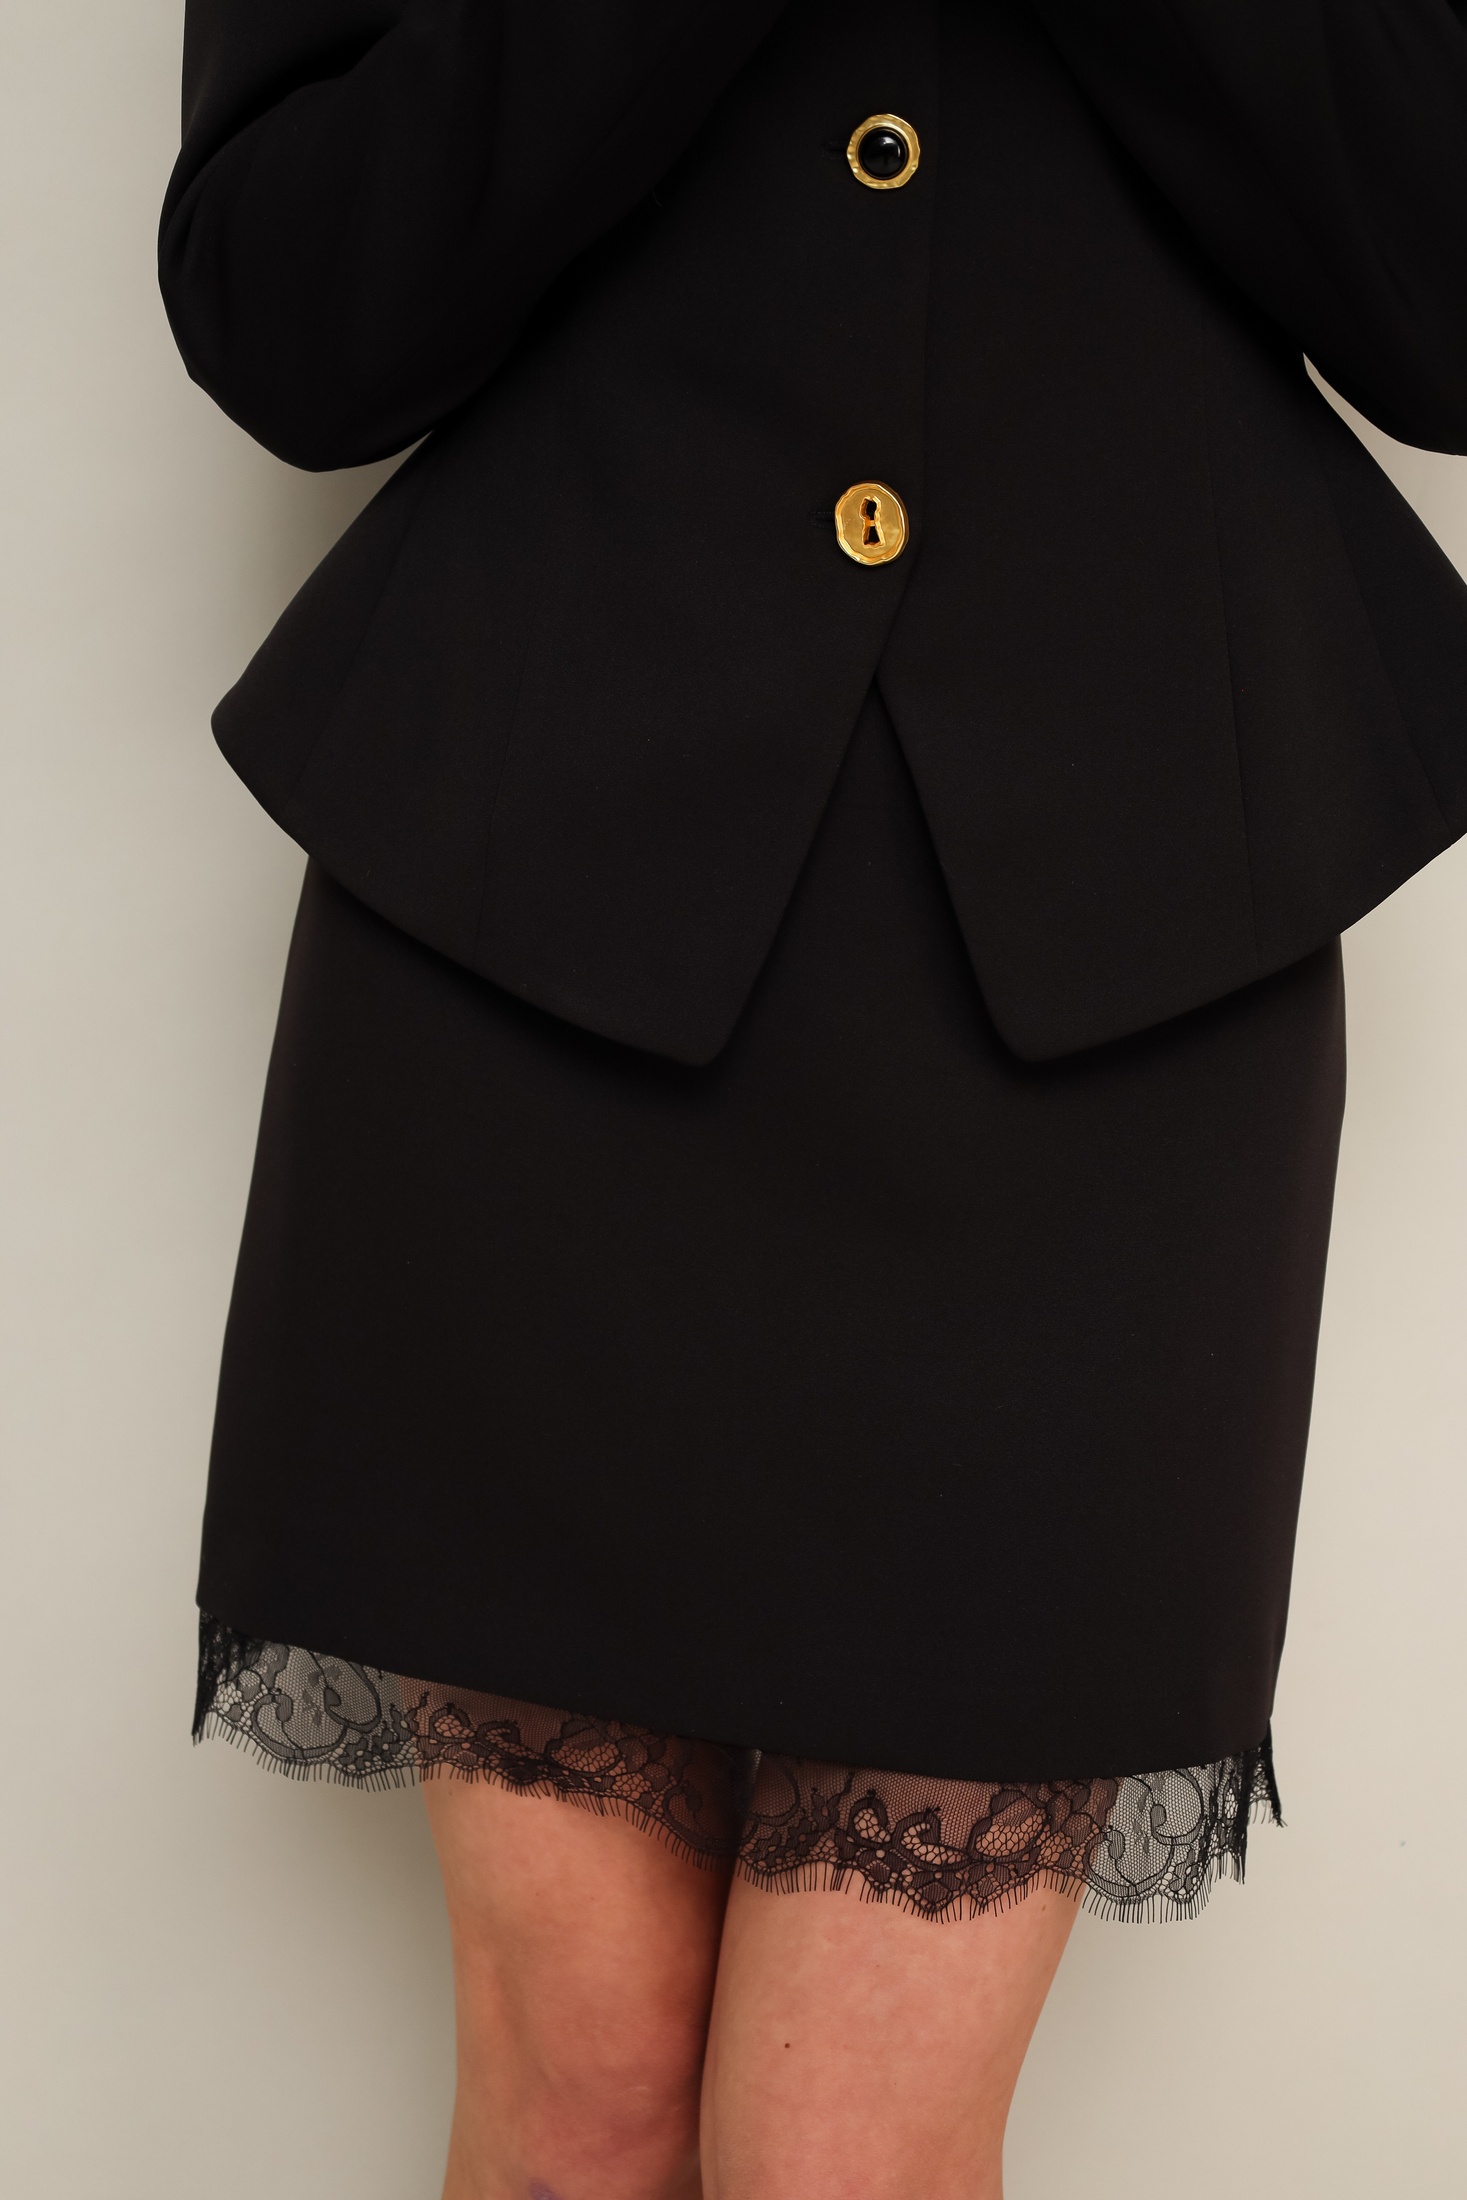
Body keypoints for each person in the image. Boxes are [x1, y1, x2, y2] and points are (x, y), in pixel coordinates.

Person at [160, 2, 1467, 2192]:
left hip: (1114, 956)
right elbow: (284, 312)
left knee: (843, 2152)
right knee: (578, 2106)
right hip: (535, 931)